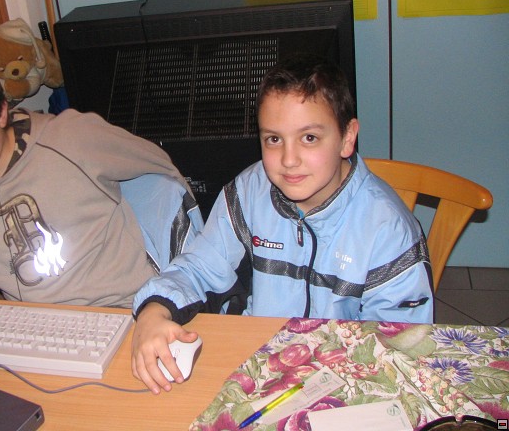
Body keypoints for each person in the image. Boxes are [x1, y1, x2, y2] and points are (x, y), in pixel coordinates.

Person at [131, 53, 434, 394]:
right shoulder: (248, 193)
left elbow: (400, 343)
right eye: (274, 139)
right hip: (257, 363)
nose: (289, 160)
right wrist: (155, 309)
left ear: (347, 138)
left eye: (309, 138)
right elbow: (200, 266)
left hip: (345, 380)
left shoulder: (387, 229)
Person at [0, 47, 197, 309]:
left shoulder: (72, 139)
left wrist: (180, 274)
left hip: (126, 312)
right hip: (36, 331)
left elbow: (162, 170)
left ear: (1, 112)